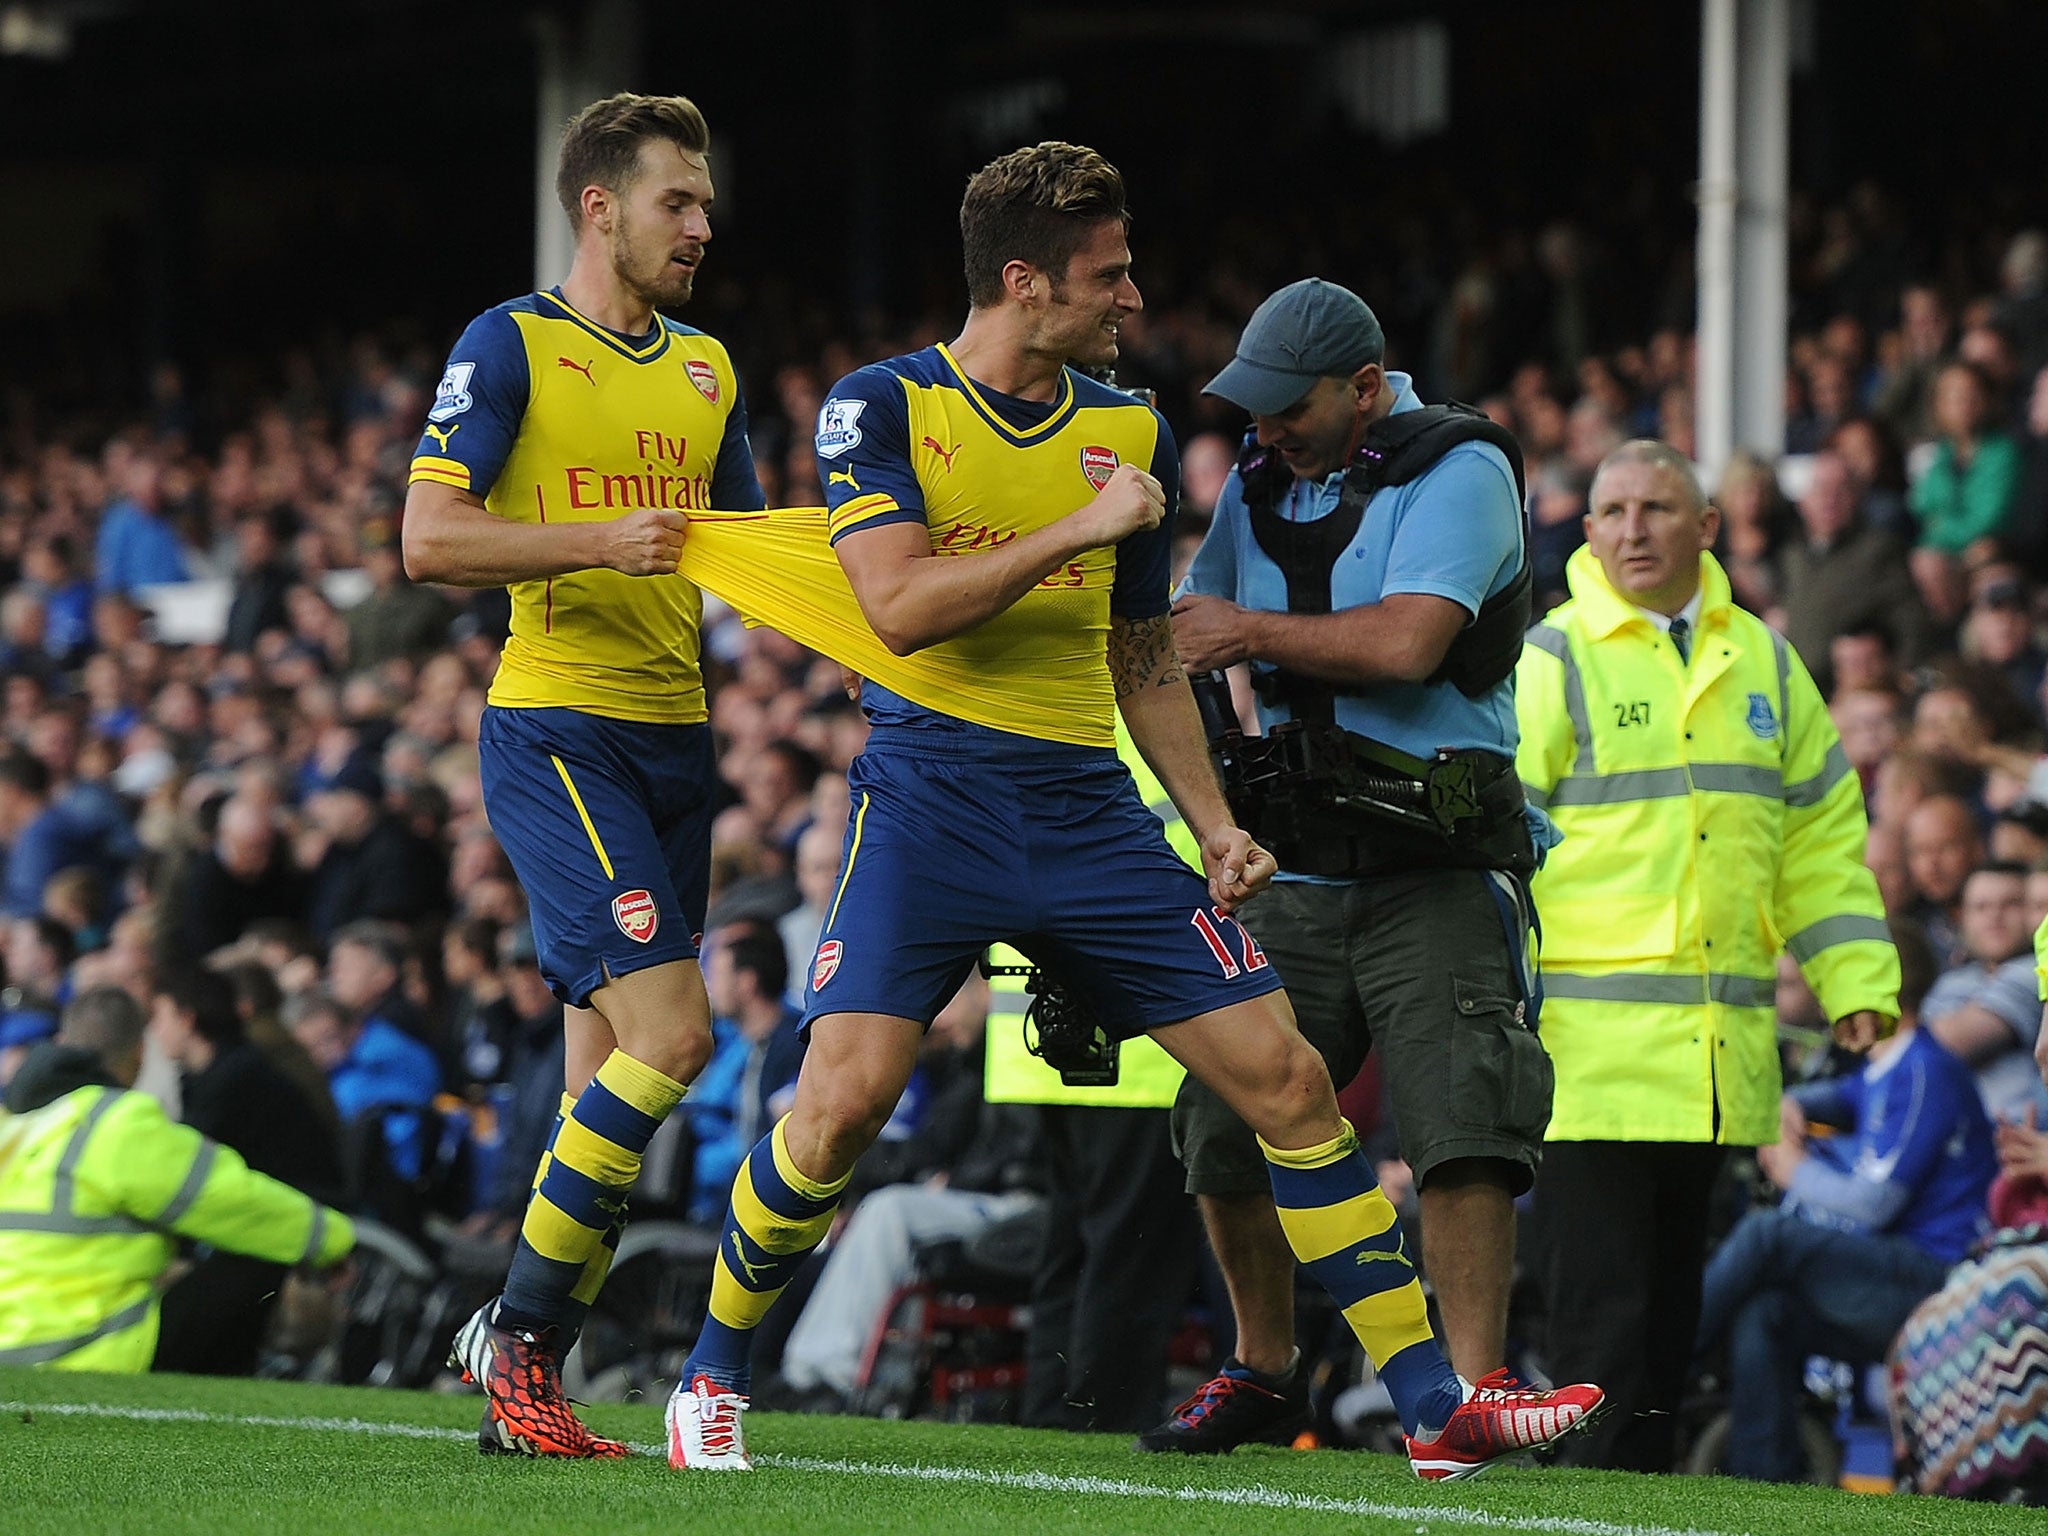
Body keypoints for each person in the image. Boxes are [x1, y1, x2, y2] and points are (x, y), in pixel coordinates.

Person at [665, 142, 1601, 1478]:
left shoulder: (1130, 425)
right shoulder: (880, 408)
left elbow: (1143, 654)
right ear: (1027, 280)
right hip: (930, 802)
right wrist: (1080, 525)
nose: (1132, 294)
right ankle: (711, 1373)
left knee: (1285, 1081)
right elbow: (899, 611)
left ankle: (1427, 1404)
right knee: (840, 1108)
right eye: (1108, 274)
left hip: (1089, 813)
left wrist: (1213, 818)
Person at [401, 90, 763, 1457]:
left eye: (706, 200)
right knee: (676, 1038)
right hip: (557, 730)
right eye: (679, 199)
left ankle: (519, 1392)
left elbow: (750, 547)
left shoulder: (707, 369)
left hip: (680, 743)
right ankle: (523, 1349)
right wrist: (596, 545)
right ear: (599, 207)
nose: (703, 224)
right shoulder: (508, 346)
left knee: (596, 1088)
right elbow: (429, 540)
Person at [1159, 276, 1550, 1450]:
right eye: (1250, 408)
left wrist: (1244, 637)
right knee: (1223, 1126)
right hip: (1295, 864)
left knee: (1458, 1128)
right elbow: (1186, 621)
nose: (1259, 429)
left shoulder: (1459, 467)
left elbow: (1406, 640)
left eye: (1284, 406)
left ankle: (1469, 1399)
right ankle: (1262, 1365)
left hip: (1431, 861)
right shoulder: (1260, 477)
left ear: (1366, 388)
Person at [1516, 439, 1898, 1471]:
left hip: (1712, 1072)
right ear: (1585, 530)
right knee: (1600, 1345)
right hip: (1587, 1069)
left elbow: (1819, 844)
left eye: (1651, 507)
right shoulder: (1553, 657)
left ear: (1706, 528)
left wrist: (1853, 981)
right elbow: (1498, 848)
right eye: (1608, 511)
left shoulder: (1767, 664)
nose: (1628, 529)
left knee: (1666, 1344)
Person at [1695, 921, 1994, 1482]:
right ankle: (1765, 1483)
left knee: (1769, 1235)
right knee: (1767, 1313)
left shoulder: (1924, 1069)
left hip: (1936, 1283)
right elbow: (1823, 1098)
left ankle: (1669, 1361)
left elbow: (1873, 1204)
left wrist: (1792, 1167)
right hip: (1890, 1272)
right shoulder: (1885, 1064)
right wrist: (1785, 1107)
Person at [0, 987, 353, 1371]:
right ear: (139, 1053)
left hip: (10, 1349)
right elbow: (233, 1202)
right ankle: (223, 1411)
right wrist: (332, 1240)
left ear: (61, 1043)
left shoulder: (19, 1123)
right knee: (259, 1251)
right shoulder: (116, 1122)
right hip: (84, 1349)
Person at [145, 965, 344, 1374]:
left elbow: (192, 1182)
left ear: (187, 1017)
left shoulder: (233, 1080)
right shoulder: (222, 1073)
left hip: (291, 1228)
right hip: (264, 1227)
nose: (154, 1029)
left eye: (159, 1016)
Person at [1922, 861, 2045, 1122]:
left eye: (2010, 904)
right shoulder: (1952, 982)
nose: (1995, 916)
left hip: (2011, 1139)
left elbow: (1943, 1046)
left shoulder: (2037, 971)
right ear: (1961, 918)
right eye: (1981, 907)